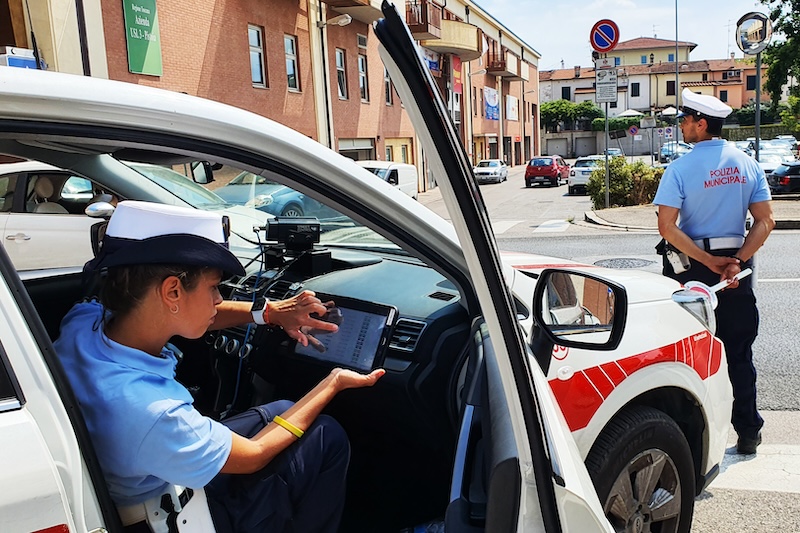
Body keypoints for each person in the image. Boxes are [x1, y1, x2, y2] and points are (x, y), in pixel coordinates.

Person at [54, 200, 385, 532]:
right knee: (326, 435)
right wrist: (332, 383)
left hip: (143, 466)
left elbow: (196, 315)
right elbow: (254, 454)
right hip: (170, 513)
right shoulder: (152, 412)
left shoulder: (83, 322)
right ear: (172, 291)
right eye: (213, 287)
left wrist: (267, 313)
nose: (217, 300)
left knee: (286, 409)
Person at [654, 88, 775, 455]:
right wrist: (737, 260)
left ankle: (692, 439)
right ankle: (749, 431)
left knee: (687, 353)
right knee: (739, 351)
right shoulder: (747, 163)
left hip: (692, 269)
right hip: (736, 271)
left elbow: (667, 227)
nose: (681, 126)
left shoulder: (679, 168)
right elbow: (765, 220)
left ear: (701, 124)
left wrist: (708, 262)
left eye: (685, 120)